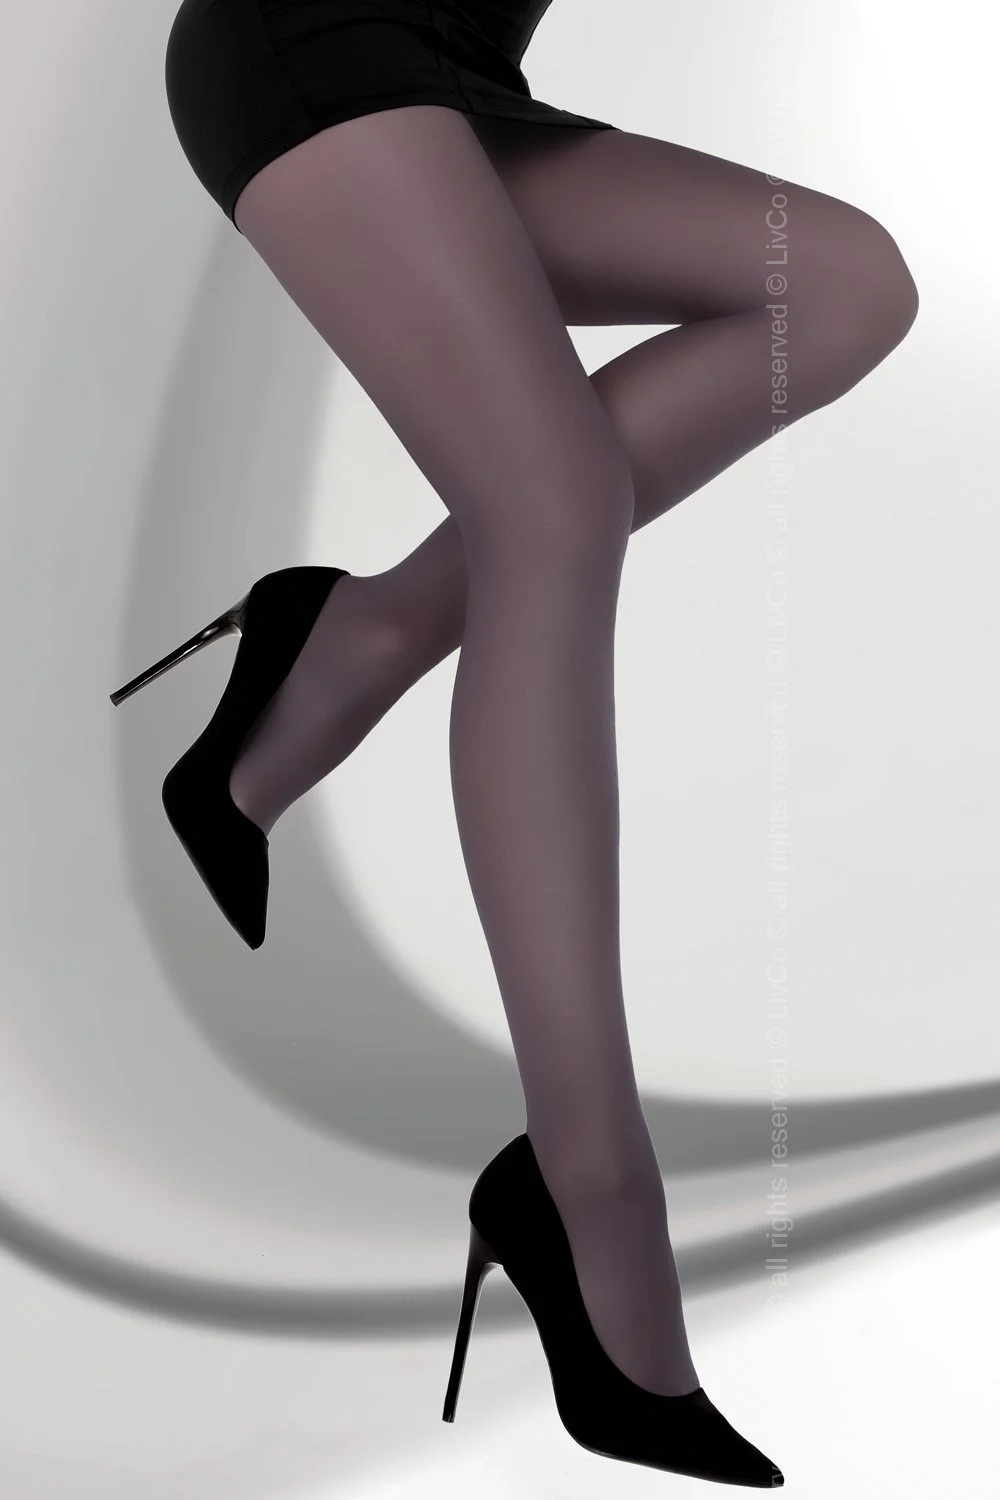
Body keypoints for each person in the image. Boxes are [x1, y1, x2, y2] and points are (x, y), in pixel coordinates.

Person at [133, 0, 919, 1485]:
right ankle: (592, 1181)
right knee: (551, 513)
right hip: (308, 40)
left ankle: (353, 638)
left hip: (459, 80)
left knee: (839, 286)